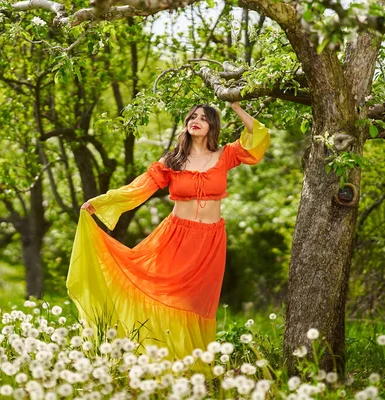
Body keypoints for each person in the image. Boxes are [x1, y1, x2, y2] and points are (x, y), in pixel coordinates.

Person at [66, 102, 270, 376]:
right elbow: (137, 189)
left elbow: (258, 136)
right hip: (176, 238)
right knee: (169, 297)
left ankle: (193, 366)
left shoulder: (227, 154)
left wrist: (234, 105)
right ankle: (164, 362)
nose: (196, 120)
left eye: (203, 118)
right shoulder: (172, 161)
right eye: (192, 117)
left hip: (210, 242)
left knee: (198, 305)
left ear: (213, 126)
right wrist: (101, 202)